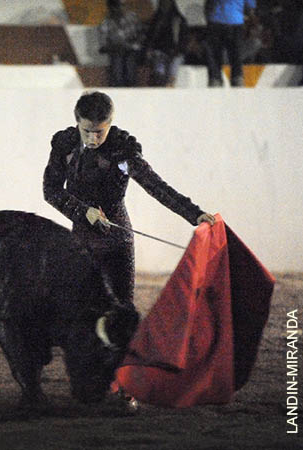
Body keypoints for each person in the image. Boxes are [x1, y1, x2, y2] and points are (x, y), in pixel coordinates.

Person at [43, 91, 215, 305]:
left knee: (122, 311)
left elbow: (155, 185)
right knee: (82, 314)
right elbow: (51, 190)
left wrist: (194, 213)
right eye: (87, 131)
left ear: (110, 123)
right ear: (77, 122)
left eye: (99, 132)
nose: (92, 138)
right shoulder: (65, 145)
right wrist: (83, 211)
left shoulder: (122, 150)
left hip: (116, 242)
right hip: (80, 243)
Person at [204, 0, 257, 87]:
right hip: (236, 20)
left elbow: (208, 4)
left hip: (216, 19)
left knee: (215, 53)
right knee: (236, 53)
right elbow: (250, 7)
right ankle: (237, 78)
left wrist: (208, 17)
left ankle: (215, 79)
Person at [142, 0, 189, 86]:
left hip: (176, 52)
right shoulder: (156, 20)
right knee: (159, 70)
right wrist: (149, 49)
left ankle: (169, 84)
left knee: (174, 67)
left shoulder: (178, 20)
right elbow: (151, 37)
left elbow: (184, 39)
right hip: (159, 51)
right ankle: (161, 83)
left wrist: (178, 50)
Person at [97, 0, 144, 87]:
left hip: (132, 50)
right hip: (116, 52)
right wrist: (116, 46)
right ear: (112, 8)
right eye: (120, 5)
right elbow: (103, 45)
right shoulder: (106, 23)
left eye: (123, 5)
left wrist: (132, 44)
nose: (122, 8)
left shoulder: (133, 18)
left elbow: (141, 35)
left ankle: (131, 87)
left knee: (130, 65)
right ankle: (118, 86)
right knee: (117, 64)